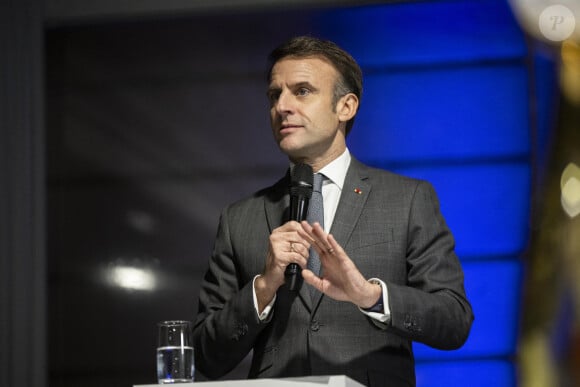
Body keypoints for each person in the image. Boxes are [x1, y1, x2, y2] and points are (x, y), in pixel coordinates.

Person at [193, 36, 474, 387]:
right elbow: (205, 355)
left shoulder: (408, 199)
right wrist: (263, 288)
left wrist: (369, 295)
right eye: (274, 94)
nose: (283, 106)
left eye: (302, 91)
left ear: (346, 107)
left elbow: (454, 321)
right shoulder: (240, 218)